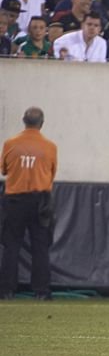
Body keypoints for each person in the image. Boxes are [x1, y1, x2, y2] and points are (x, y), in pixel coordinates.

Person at [1, 107, 58, 300]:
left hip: (15, 200)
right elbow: (51, 172)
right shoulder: (50, 147)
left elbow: (4, 170)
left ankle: (7, 290)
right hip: (40, 200)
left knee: (11, 246)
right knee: (40, 247)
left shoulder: (10, 144)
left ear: (24, 121)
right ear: (41, 123)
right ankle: (41, 291)